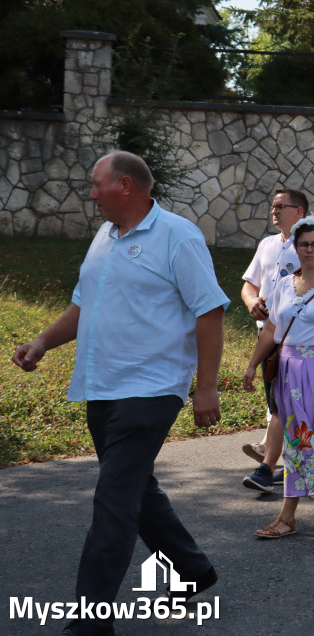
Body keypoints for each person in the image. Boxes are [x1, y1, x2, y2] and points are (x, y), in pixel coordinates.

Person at [12, 151, 228, 636]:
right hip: (101, 385)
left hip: (151, 387)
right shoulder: (105, 236)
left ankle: (90, 620)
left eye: (96, 185)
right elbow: (83, 303)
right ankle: (192, 570)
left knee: (113, 499)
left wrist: (207, 386)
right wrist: (44, 341)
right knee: (132, 487)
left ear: (126, 186)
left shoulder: (178, 235)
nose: (90, 194)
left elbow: (209, 311)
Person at [242, 216, 314, 536]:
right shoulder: (282, 285)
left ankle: (287, 516)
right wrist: (253, 364)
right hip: (288, 368)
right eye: (303, 243)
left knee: (303, 436)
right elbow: (272, 330)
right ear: (295, 246)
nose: (309, 249)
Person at [240, 188, 314, 494]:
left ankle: (268, 468)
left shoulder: (311, 247)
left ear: (300, 212)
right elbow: (248, 286)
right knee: (281, 406)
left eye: (281, 206)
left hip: (299, 341)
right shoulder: (267, 244)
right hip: (268, 335)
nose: (274, 210)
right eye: (273, 205)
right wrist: (252, 301)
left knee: (283, 405)